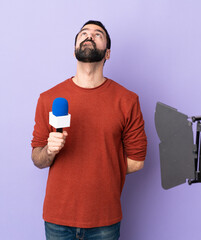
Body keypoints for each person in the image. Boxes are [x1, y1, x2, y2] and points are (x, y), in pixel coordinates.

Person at [31, 20, 147, 240]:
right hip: (57, 218)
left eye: (98, 34)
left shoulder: (127, 101)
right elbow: (37, 159)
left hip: (105, 219)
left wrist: (99, 170)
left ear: (108, 53)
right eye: (83, 33)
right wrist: (49, 151)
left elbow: (137, 161)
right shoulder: (48, 99)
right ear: (75, 49)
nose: (89, 36)